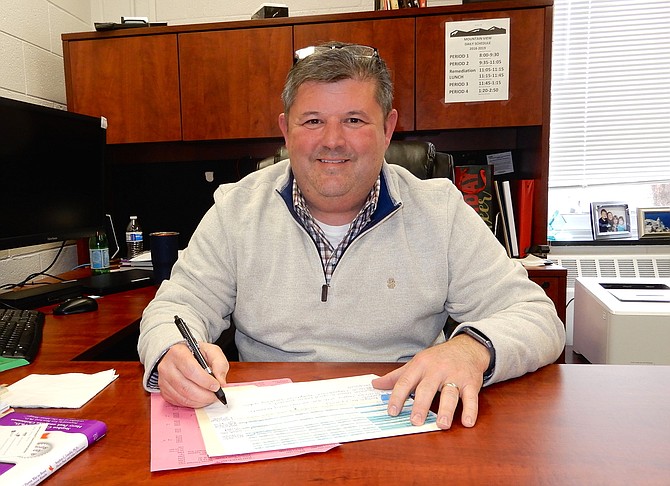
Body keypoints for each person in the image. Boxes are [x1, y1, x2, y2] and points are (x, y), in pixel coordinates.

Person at [138, 41, 565, 430]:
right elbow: (176, 305)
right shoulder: (236, 208)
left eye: (354, 119)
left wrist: (471, 350)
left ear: (388, 128)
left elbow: (537, 316)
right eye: (313, 121)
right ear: (286, 131)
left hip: (403, 417)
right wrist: (172, 352)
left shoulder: (441, 211)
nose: (332, 141)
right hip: (269, 426)